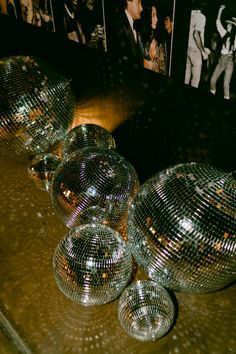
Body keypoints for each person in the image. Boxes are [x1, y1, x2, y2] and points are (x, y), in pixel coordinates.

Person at [106, 0, 144, 68]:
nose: (141, 8)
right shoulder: (117, 25)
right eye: (139, 2)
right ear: (128, 2)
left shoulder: (136, 26)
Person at [210, 5, 236, 100]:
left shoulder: (235, 38)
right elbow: (218, 22)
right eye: (228, 24)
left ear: (233, 27)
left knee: (226, 84)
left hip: (229, 60)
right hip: (221, 60)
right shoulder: (224, 33)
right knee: (212, 80)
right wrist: (220, 9)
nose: (228, 25)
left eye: (230, 24)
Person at [184, 0, 209, 88]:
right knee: (195, 81)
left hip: (187, 48)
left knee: (185, 78)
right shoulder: (201, 17)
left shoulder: (189, 15)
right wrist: (202, 51)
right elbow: (196, 34)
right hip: (195, 50)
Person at [142, 2, 167, 75]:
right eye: (153, 15)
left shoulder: (155, 37)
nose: (156, 19)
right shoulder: (146, 40)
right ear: (147, 16)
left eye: (156, 15)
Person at [163, 11, 174, 76]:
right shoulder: (165, 37)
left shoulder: (173, 39)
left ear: (172, 22)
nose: (164, 22)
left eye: (167, 20)